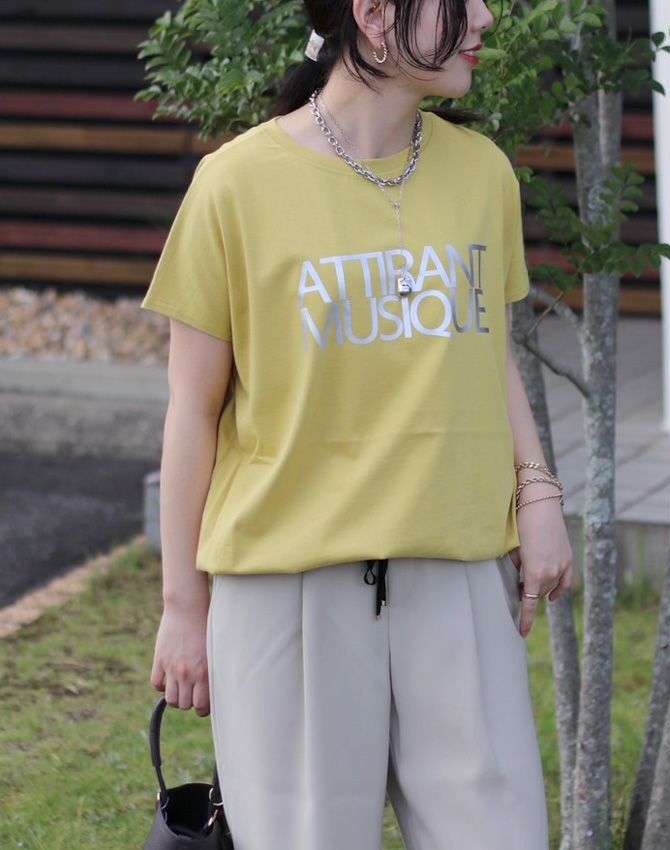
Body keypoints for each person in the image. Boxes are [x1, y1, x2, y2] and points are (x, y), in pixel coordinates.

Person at [142, 0, 574, 846]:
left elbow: (487, 353)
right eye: (460, 1)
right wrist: (182, 605)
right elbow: (191, 411)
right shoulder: (235, 184)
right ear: (375, 13)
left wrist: (539, 494)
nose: (486, 17)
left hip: (457, 575)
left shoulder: (482, 172)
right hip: (290, 588)